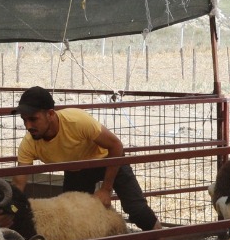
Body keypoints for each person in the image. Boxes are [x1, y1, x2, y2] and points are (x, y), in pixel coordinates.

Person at [11, 86, 158, 231]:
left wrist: (106, 189)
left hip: (107, 159)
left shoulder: (77, 121)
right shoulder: (29, 143)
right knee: (71, 217)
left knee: (138, 211)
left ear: (50, 114)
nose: (28, 126)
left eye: (33, 119)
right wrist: (10, 209)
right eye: (24, 120)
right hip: (76, 171)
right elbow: (19, 183)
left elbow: (116, 145)